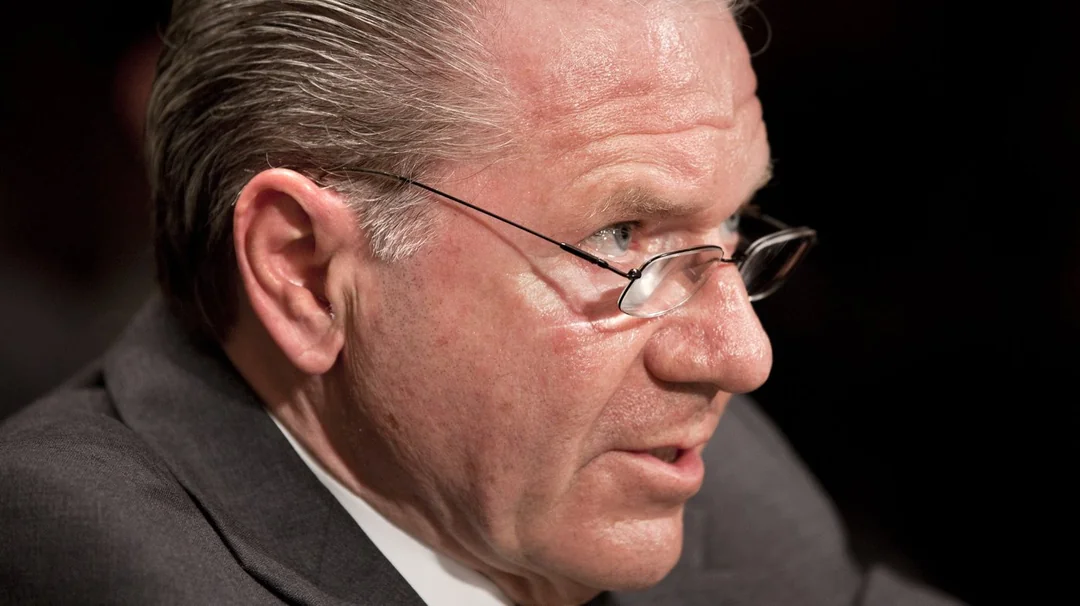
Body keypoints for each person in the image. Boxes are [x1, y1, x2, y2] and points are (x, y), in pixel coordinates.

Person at [0, 1, 963, 604]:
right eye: (622, 236)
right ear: (302, 271)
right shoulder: (73, 549)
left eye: (733, 227)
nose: (739, 356)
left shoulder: (668, 461)